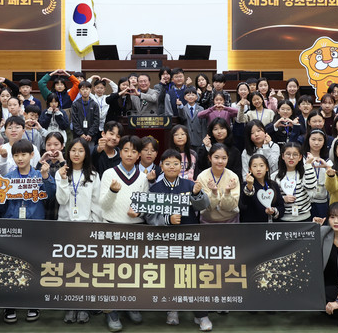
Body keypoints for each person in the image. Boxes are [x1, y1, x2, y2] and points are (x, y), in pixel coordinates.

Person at [0, 139, 55, 323]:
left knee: (34, 265)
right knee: (11, 266)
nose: (20, 158)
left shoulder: (39, 175)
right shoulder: (7, 178)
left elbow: (50, 197)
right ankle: (10, 305)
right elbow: (0, 206)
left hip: (34, 227)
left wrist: (46, 177)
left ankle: (33, 303)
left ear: (32, 155)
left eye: (24, 154)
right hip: (12, 227)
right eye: (16, 155)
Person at [146, 150, 211, 330]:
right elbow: (149, 217)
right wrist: (167, 220)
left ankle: (201, 315)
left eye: (176, 163)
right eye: (167, 164)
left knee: (194, 276)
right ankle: (172, 309)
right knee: (169, 275)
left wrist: (196, 194)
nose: (172, 167)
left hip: (189, 238)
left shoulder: (190, 184)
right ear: (161, 166)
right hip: (166, 240)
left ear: (181, 166)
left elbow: (204, 205)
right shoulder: (155, 189)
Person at [98, 135, 149, 331]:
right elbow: (103, 206)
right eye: (126, 150)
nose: (129, 154)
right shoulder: (109, 173)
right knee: (110, 273)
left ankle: (131, 304)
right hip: (112, 228)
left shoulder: (143, 177)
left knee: (133, 272)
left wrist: (140, 212)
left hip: (135, 229)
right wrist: (112, 191)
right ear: (120, 152)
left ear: (139, 156)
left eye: (134, 151)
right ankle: (111, 311)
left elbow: (145, 205)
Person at [56, 138, 101, 324]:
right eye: (73, 150)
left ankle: (83, 306)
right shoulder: (61, 172)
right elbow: (61, 200)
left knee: (85, 268)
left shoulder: (93, 175)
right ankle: (70, 305)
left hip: (86, 227)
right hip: (66, 226)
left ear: (86, 154)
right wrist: (63, 180)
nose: (76, 154)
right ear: (68, 152)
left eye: (81, 150)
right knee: (68, 268)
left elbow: (97, 203)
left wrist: (94, 226)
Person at [197, 143, 240, 224]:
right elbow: (206, 206)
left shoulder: (233, 177)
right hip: (207, 221)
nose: (220, 161)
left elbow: (230, 207)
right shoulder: (202, 177)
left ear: (228, 159)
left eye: (224, 158)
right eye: (216, 157)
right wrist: (213, 193)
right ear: (210, 158)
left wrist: (227, 192)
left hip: (231, 220)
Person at [275, 142, 317, 222]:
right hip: (283, 218)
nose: (291, 158)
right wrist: (283, 199)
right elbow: (273, 198)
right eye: (288, 154)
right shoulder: (275, 176)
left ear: (300, 157)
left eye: (295, 154)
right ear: (283, 156)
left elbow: (311, 188)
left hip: (304, 218)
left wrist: (308, 164)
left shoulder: (306, 171)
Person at [239, 153, 285, 222]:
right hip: (252, 224)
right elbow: (244, 204)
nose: (258, 169)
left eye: (261, 166)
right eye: (254, 166)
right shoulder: (246, 185)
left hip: (270, 225)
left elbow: (281, 207)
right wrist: (249, 186)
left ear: (267, 168)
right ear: (250, 169)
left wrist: (273, 211)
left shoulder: (273, 185)